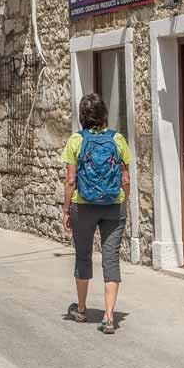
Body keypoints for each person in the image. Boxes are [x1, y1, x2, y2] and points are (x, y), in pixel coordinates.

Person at [62, 93, 131, 334]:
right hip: (114, 206)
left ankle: (81, 309)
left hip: (83, 206)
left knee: (83, 255)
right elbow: (125, 178)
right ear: (103, 115)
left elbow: (70, 180)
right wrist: (123, 201)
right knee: (111, 259)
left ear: (82, 116)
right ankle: (109, 317)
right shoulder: (118, 139)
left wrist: (66, 209)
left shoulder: (75, 141)